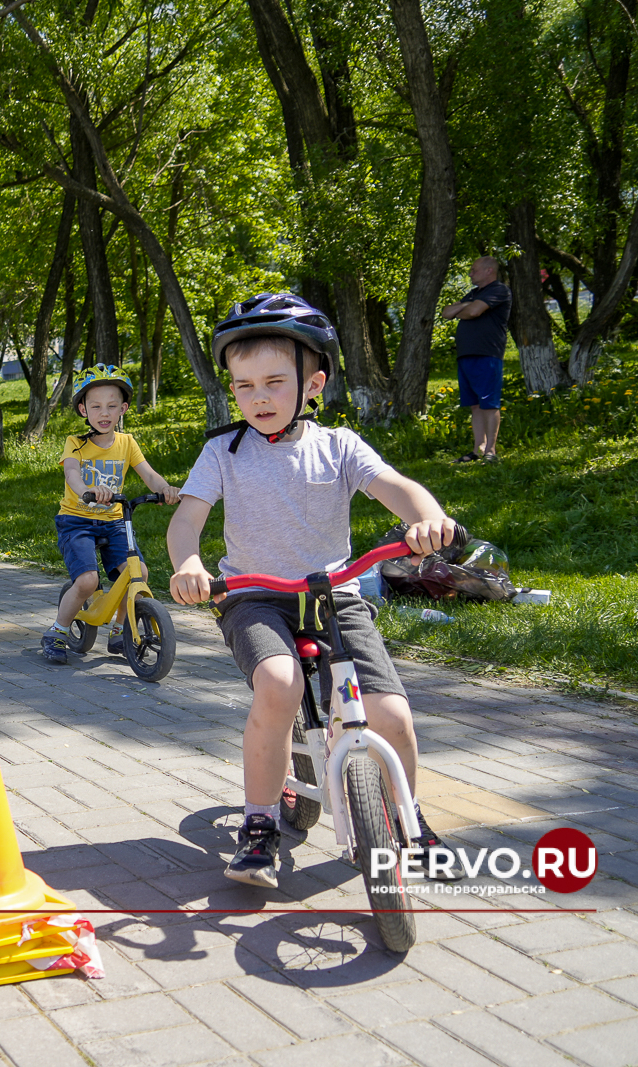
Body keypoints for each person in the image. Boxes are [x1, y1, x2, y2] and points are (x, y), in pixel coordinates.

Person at [165, 293, 461, 890]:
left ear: (314, 383)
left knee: (391, 712)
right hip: (253, 595)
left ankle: (409, 821)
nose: (259, 397)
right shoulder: (221, 452)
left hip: (334, 593)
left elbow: (399, 489)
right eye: (243, 385)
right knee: (279, 685)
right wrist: (188, 563)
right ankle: (259, 825)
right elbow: (185, 521)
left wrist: (426, 518)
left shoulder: (340, 446)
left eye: (275, 382)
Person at [40, 366, 180, 665]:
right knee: (88, 581)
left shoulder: (127, 442)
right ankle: (57, 631)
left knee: (138, 573)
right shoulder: (75, 442)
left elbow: (149, 475)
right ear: (83, 409)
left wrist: (166, 489)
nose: (104, 413)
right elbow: (72, 474)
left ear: (123, 409)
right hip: (76, 520)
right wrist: (87, 490)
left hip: (115, 520)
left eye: (112, 406)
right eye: (96, 406)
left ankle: (120, 630)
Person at [442, 255, 512, 464]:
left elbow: (472, 312)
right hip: (466, 355)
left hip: (487, 353)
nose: (470, 273)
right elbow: (446, 313)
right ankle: (477, 449)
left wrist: (465, 308)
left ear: (489, 270)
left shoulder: (499, 290)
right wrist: (468, 305)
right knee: (475, 405)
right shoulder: (474, 293)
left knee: (488, 404)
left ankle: (490, 450)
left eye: (474, 270)